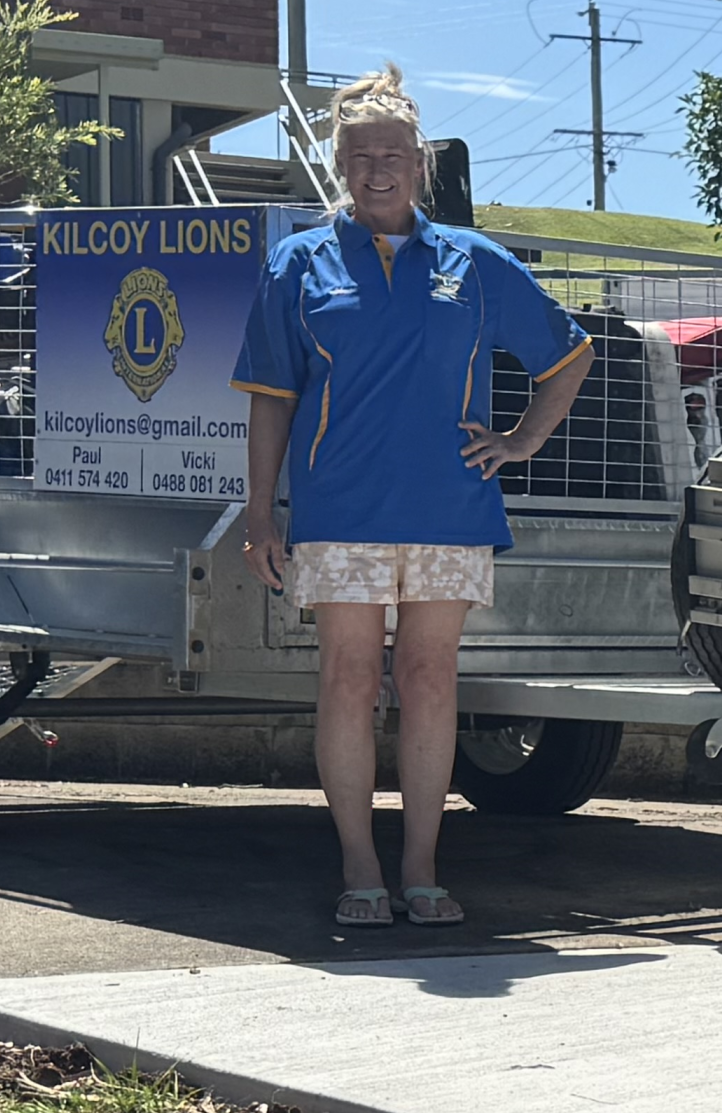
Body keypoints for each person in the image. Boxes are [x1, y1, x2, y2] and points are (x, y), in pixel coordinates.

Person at [233, 65, 594, 928]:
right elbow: (270, 398)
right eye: (361, 156)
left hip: (450, 510)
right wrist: (259, 512)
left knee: (430, 679)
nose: (378, 169)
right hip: (340, 514)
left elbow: (567, 354)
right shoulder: (300, 263)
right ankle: (361, 865)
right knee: (349, 680)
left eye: (394, 154)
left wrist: (521, 439)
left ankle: (423, 866)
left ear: (420, 162)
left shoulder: (474, 261)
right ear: (340, 164)